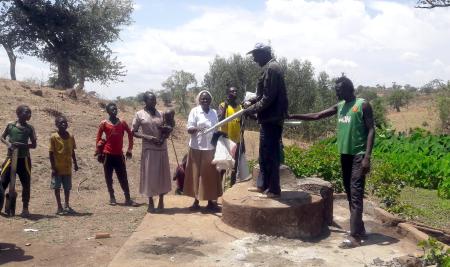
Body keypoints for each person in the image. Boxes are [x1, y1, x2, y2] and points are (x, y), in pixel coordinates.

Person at [288, 76, 375, 248]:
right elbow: (317, 115)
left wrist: (367, 157)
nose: (337, 92)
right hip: (345, 155)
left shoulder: (362, 105)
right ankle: (360, 228)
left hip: (358, 155)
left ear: (348, 88)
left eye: (339, 90)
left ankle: (355, 236)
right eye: (336, 90)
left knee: (356, 193)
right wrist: (292, 115)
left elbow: (371, 130)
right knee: (350, 193)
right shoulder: (340, 106)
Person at [244, 43, 288, 198]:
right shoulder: (269, 68)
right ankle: (263, 185)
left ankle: (274, 189)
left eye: (256, 55)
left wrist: (252, 109)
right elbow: (263, 94)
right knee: (263, 153)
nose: (254, 59)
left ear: (264, 53)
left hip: (272, 119)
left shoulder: (272, 68)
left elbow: (269, 98)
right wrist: (251, 101)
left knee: (271, 154)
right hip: (266, 119)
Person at [132, 92, 171, 213]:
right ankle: (150, 202)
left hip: (162, 148)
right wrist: (149, 138)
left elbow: (168, 129)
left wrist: (164, 136)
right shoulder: (139, 114)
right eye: (150, 100)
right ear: (145, 101)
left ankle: (161, 200)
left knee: (162, 175)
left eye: (154, 100)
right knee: (149, 176)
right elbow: (134, 131)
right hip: (149, 149)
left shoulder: (161, 113)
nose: (153, 102)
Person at [184, 90, 222, 211]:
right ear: (199, 100)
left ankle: (211, 202)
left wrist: (220, 135)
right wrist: (199, 129)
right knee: (196, 175)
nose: (205, 100)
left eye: (207, 99)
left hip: (210, 148)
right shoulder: (195, 111)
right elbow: (189, 129)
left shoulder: (214, 112)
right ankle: (196, 202)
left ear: (210, 100)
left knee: (209, 176)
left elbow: (216, 129)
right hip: (196, 148)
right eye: (203, 99)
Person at [0, 105, 37, 217]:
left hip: (24, 160)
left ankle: (25, 208)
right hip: (10, 158)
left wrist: (22, 145)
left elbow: (34, 145)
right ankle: (2, 205)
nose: (29, 115)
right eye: (26, 112)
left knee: (26, 184)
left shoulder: (30, 128)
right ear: (19, 113)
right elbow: (2, 137)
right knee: (2, 182)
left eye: (30, 113)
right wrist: (9, 144)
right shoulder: (10, 126)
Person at [96, 102, 134, 206]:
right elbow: (98, 138)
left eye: (115, 109)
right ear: (108, 111)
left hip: (119, 155)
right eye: (112, 109)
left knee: (123, 177)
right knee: (108, 177)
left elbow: (130, 135)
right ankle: (112, 197)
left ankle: (128, 198)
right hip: (107, 155)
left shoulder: (122, 122)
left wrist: (129, 150)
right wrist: (99, 153)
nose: (115, 110)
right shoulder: (104, 123)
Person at [49, 116, 78, 214]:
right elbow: (51, 153)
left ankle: (67, 204)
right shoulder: (54, 137)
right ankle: (59, 207)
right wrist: (53, 167)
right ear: (56, 125)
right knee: (57, 187)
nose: (64, 124)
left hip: (67, 167)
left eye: (65, 122)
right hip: (57, 167)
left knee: (67, 187)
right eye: (61, 123)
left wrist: (75, 163)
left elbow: (72, 151)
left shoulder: (71, 136)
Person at [218, 87, 244, 186]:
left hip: (237, 141)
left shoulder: (240, 107)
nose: (235, 92)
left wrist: (243, 142)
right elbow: (219, 120)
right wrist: (225, 105)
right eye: (232, 91)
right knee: (223, 166)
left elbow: (242, 125)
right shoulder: (222, 105)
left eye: (236, 91)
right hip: (225, 141)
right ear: (228, 93)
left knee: (234, 167)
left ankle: (232, 187)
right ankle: (217, 190)